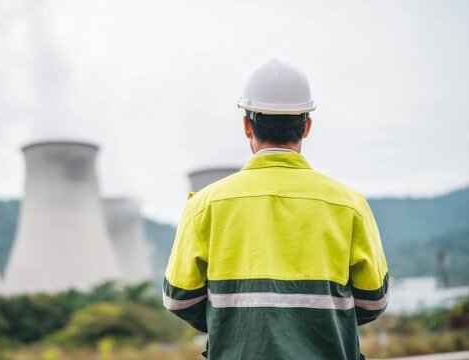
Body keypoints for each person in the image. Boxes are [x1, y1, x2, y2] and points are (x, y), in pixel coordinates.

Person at [163, 59, 389, 359]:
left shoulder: (205, 205)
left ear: (247, 126)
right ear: (307, 126)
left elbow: (177, 299)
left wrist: (239, 323)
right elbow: (374, 300)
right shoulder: (349, 205)